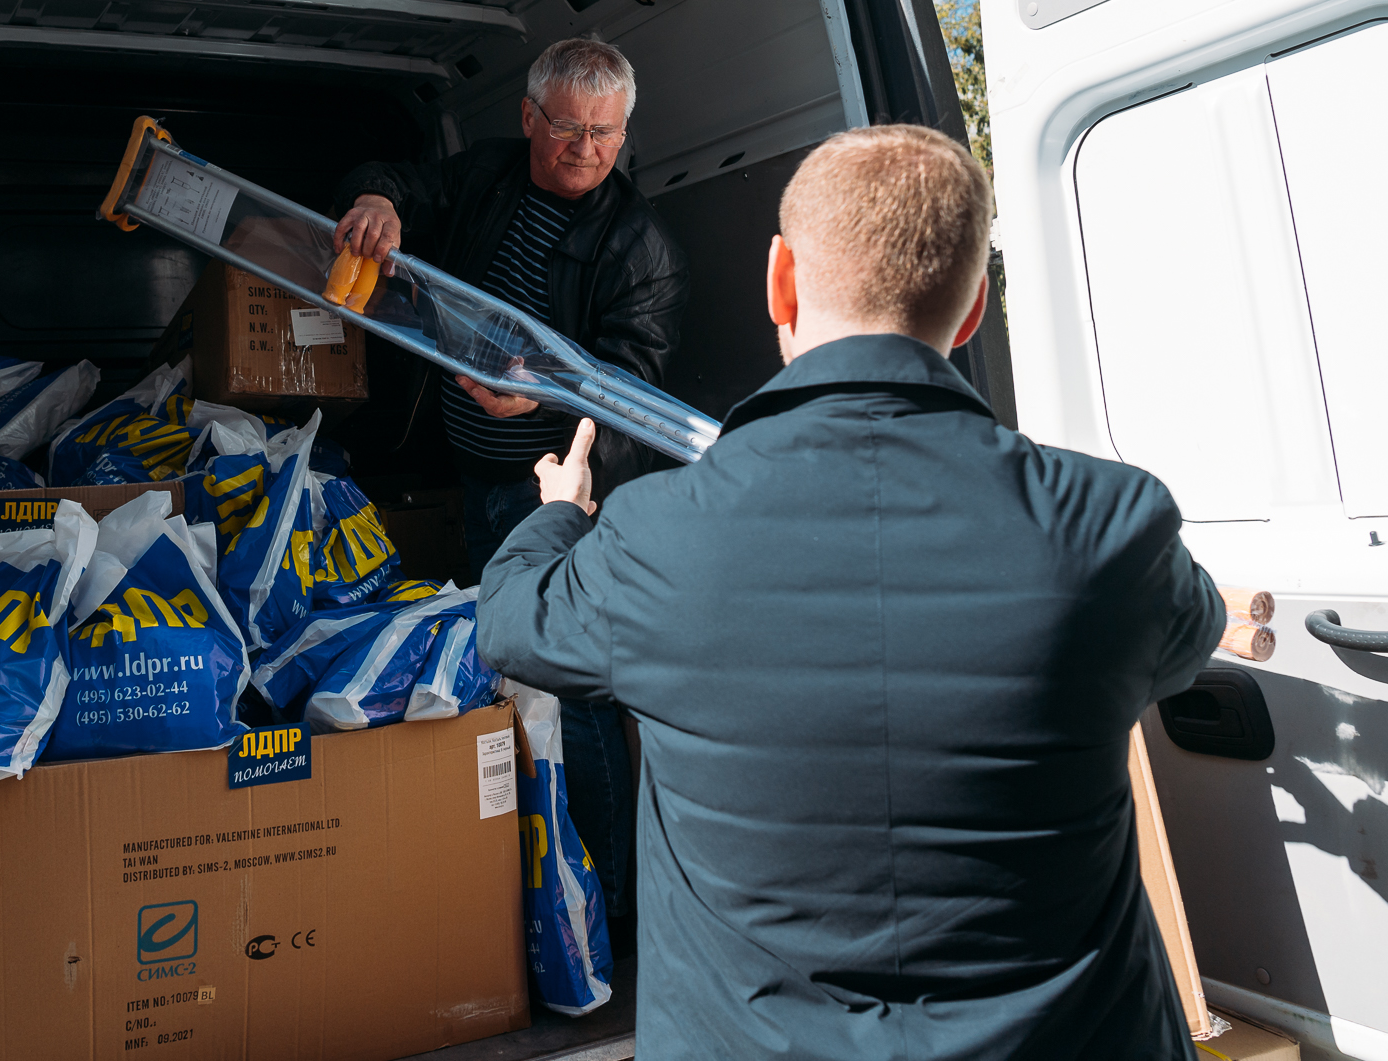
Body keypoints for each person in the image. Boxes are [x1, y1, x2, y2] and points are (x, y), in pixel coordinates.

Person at [478, 124, 1227, 1059]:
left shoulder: (656, 536)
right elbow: (1192, 631)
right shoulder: (1113, 526)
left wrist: (560, 512)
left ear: (780, 282)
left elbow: (509, 620)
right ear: (972, 309)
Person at [332, 36, 689, 929]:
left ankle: (608, 912)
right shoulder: (488, 175)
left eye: (606, 132)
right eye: (567, 127)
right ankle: (532, 888)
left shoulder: (640, 248)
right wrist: (376, 200)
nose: (586, 149)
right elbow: (404, 181)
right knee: (498, 682)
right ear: (529, 116)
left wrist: (537, 400)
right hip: (472, 480)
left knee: (575, 695)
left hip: (558, 501)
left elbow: (636, 405)